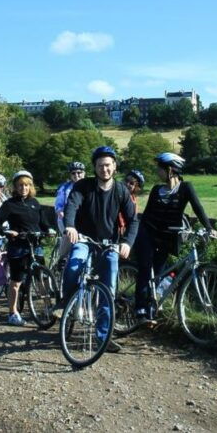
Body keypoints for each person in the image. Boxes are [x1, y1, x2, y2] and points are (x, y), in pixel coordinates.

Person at [58, 146, 139, 353]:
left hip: (109, 244)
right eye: (101, 165)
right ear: (95, 167)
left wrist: (127, 242)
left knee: (109, 288)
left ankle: (104, 337)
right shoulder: (83, 186)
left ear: (114, 167)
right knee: (74, 263)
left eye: (108, 165)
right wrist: (70, 226)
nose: (105, 169)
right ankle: (64, 304)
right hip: (85, 239)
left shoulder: (121, 190)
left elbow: (133, 220)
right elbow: (71, 206)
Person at [133, 152, 216, 326]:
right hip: (147, 233)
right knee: (146, 269)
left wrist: (209, 228)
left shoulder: (186, 188)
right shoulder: (157, 190)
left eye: (160, 168)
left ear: (170, 170)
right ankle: (140, 311)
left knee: (160, 273)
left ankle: (151, 307)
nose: (157, 172)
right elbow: (147, 215)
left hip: (167, 237)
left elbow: (198, 208)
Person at [0, 170, 51, 326]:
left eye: (27, 185)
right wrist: (6, 231)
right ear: (15, 187)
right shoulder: (9, 204)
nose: (24, 188)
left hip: (35, 245)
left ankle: (48, 307)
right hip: (18, 246)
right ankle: (12, 313)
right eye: (21, 185)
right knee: (16, 282)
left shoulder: (35, 203)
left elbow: (43, 223)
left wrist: (49, 230)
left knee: (42, 278)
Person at [54, 162, 85, 259]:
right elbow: (59, 204)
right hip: (66, 219)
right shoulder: (65, 188)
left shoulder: (89, 186)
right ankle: (61, 260)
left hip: (83, 220)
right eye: (73, 173)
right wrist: (60, 211)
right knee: (69, 238)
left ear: (84, 173)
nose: (76, 175)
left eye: (79, 172)